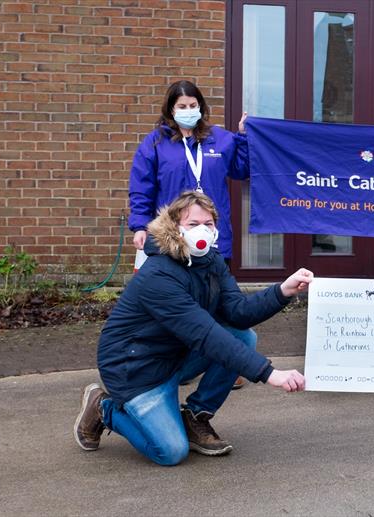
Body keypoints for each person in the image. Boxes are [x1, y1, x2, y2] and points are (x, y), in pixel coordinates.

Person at [74, 191, 313, 466]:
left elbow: (238, 313)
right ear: (174, 228)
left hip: (174, 356)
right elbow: (205, 334)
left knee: (242, 336)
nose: (202, 230)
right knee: (170, 451)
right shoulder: (159, 274)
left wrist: (283, 291)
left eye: (208, 224)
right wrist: (270, 374)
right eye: (192, 224)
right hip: (135, 369)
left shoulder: (212, 263)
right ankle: (103, 407)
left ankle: (195, 416)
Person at [129, 79, 250, 388]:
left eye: (193, 106)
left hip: (213, 237)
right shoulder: (155, 143)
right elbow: (142, 187)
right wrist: (140, 225)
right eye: (181, 106)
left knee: (220, 300)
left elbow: (242, 169)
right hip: (173, 238)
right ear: (171, 109)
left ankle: (229, 362)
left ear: (201, 107)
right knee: (179, 301)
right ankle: (180, 363)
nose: (188, 111)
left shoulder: (220, 139)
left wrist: (246, 137)